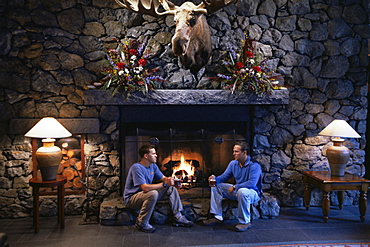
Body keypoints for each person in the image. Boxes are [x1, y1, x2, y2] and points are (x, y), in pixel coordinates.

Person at [124, 144, 194, 233]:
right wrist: (164, 184)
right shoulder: (137, 168)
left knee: (171, 189)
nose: (156, 155)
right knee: (153, 193)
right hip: (132, 199)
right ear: (146, 156)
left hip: (145, 195)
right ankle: (142, 222)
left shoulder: (152, 165)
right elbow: (144, 188)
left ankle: (178, 217)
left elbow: (163, 178)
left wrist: (169, 180)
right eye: (153, 154)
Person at [203, 141, 262, 232]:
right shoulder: (233, 164)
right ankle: (217, 216)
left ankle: (245, 222)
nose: (233, 154)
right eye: (233, 151)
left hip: (252, 193)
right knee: (216, 186)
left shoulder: (254, 165)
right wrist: (215, 179)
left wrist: (235, 187)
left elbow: (252, 183)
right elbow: (225, 177)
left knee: (242, 191)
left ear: (244, 152)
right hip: (238, 191)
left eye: (236, 151)